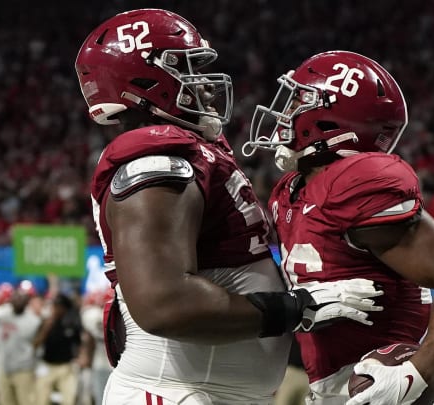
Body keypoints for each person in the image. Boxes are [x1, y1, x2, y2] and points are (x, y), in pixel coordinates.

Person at [75, 9, 382, 405]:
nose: (201, 85)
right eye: (185, 68)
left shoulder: (185, 156)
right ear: (144, 80)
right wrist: (298, 307)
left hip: (205, 392)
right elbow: (162, 304)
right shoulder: (154, 163)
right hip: (175, 392)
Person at [244, 50, 434, 405]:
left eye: (300, 101)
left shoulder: (356, 183)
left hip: (374, 384)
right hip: (325, 386)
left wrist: (414, 373)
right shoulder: (288, 191)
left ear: (331, 120)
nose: (286, 113)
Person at [0, 286, 42, 405]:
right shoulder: (2, 315)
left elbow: (38, 345)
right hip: (4, 367)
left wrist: (37, 366)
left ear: (27, 301)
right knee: (5, 402)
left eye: (21, 298)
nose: (18, 300)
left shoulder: (34, 320)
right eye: (15, 297)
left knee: (26, 401)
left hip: (24, 369)